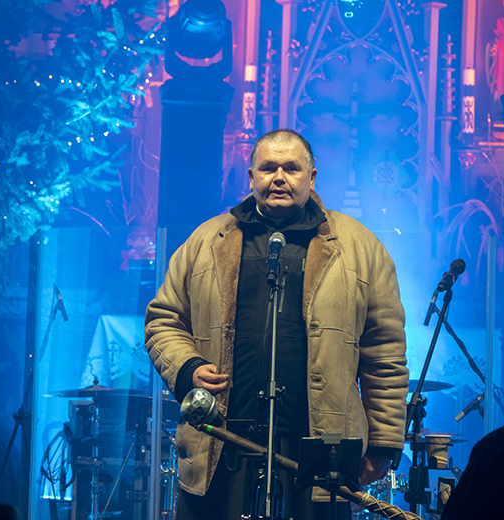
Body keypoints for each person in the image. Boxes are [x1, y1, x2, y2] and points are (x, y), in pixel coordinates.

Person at [145, 129, 408, 519]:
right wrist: (189, 368)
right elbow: (162, 320)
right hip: (222, 442)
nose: (279, 178)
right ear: (251, 177)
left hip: (320, 451)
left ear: (312, 177)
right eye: (268, 168)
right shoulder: (205, 241)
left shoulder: (360, 247)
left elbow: (385, 353)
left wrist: (384, 443)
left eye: (291, 168)